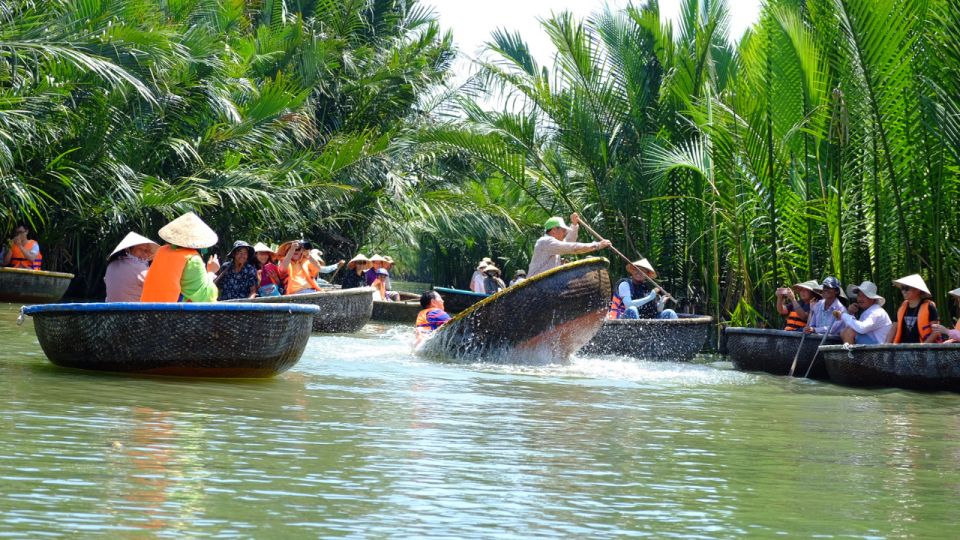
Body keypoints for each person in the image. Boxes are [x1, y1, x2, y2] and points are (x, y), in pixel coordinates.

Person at [141, 212, 220, 302]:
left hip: (150, 310)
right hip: (173, 313)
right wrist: (211, 272)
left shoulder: (161, 251)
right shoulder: (193, 260)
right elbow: (206, 297)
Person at [527, 213, 611, 277]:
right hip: (535, 286)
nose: (565, 233)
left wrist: (574, 225)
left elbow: (568, 242)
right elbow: (572, 247)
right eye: (563, 230)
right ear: (554, 230)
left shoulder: (553, 244)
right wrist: (597, 245)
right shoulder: (545, 242)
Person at [607, 259, 678, 320]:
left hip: (645, 321)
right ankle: (638, 335)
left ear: (647, 275)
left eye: (642, 271)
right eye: (636, 269)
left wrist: (661, 303)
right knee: (632, 310)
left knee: (669, 312)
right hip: (624, 320)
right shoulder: (625, 284)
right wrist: (650, 297)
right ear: (632, 271)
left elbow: (657, 311)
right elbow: (628, 305)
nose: (639, 272)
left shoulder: (646, 288)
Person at [104, 232, 159, 302]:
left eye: (146, 251)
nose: (145, 255)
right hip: (136, 312)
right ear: (128, 249)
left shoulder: (111, 265)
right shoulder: (139, 267)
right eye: (141, 249)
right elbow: (159, 289)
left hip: (112, 311)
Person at [885, 274, 941, 344]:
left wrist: (923, 347)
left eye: (907, 288)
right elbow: (894, 328)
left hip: (924, 350)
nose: (904, 291)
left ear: (917, 290)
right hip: (902, 348)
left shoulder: (929, 307)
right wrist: (886, 345)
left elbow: (936, 332)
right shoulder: (902, 307)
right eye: (902, 288)